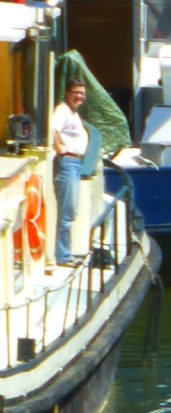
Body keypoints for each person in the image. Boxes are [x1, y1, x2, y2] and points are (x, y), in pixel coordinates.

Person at [50, 68, 90, 266]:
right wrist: (60, 149)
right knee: (67, 211)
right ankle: (63, 256)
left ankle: (66, 252)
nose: (79, 96)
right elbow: (52, 128)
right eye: (75, 92)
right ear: (67, 93)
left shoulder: (74, 115)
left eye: (82, 93)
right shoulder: (63, 111)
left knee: (71, 210)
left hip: (75, 164)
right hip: (67, 163)